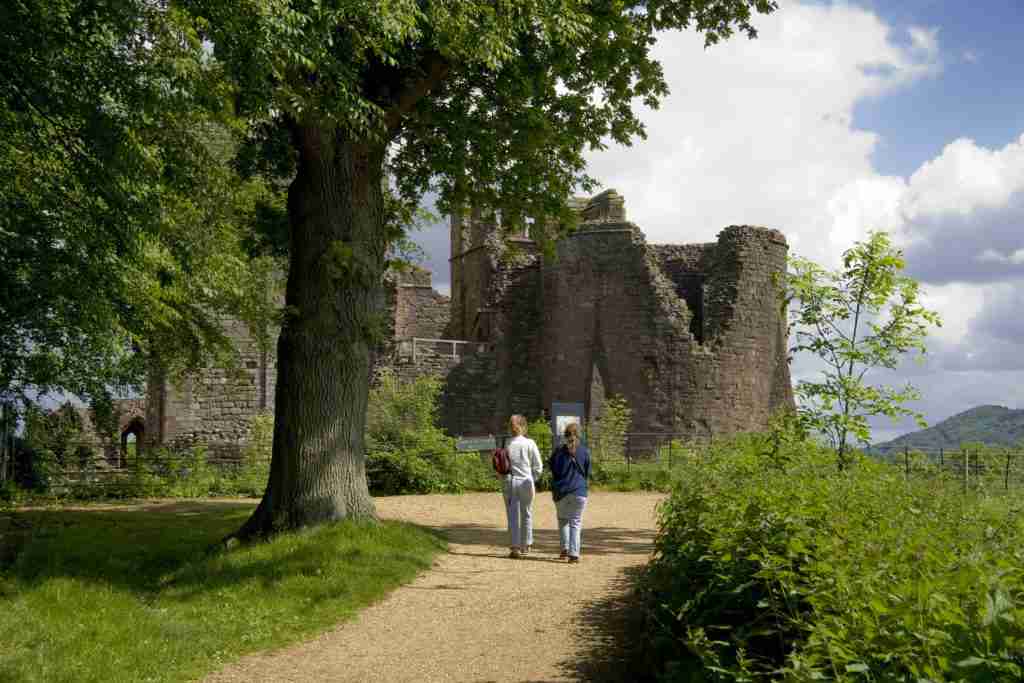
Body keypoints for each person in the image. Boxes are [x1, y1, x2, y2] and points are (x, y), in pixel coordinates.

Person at [501, 414, 543, 559]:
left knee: (512, 515)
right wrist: (533, 478)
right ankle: (527, 544)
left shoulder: (506, 443)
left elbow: (502, 465)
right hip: (526, 480)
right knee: (527, 512)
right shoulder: (530, 443)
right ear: (523, 426)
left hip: (511, 481)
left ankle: (515, 547)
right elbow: (538, 466)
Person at [549, 422, 590, 564]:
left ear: (565, 435)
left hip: (561, 491)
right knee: (575, 522)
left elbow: (553, 470)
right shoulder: (584, 451)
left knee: (563, 520)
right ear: (579, 435)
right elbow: (587, 472)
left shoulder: (558, 451)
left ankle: (564, 549)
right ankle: (574, 554)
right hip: (579, 490)